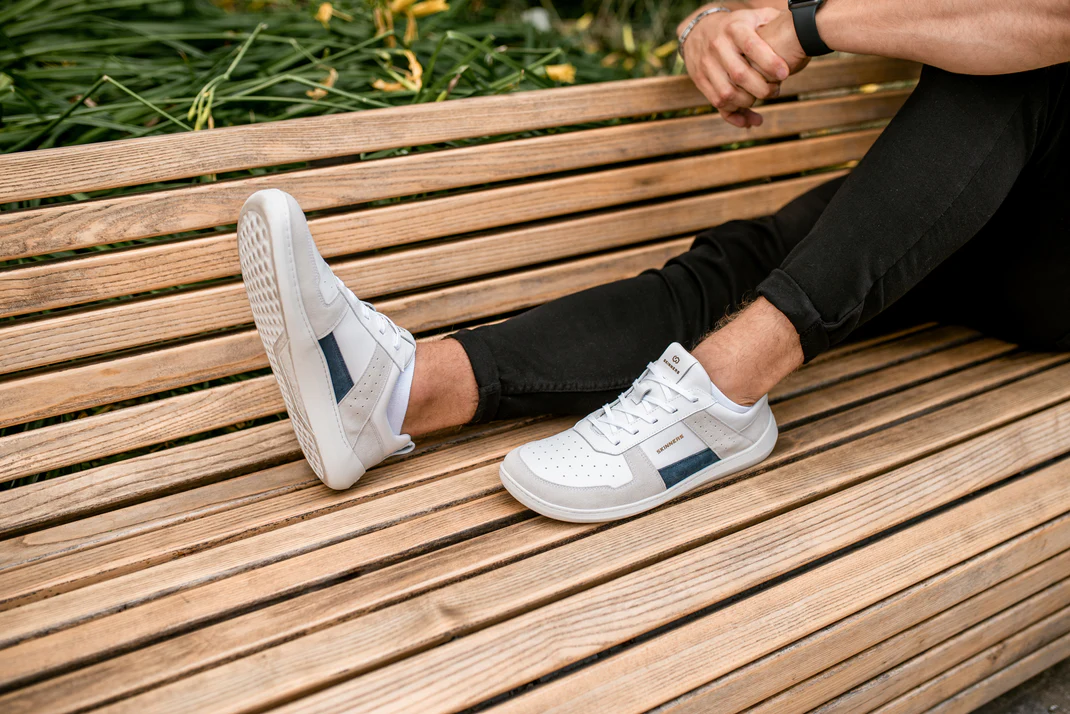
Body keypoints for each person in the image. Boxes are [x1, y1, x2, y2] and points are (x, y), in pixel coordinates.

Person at [236, 0, 1070, 523]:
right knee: (752, 266)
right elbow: (761, 11)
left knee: (1022, 69)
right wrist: (710, 27)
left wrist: (811, 24)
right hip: (988, 209)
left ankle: (722, 399)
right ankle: (395, 395)